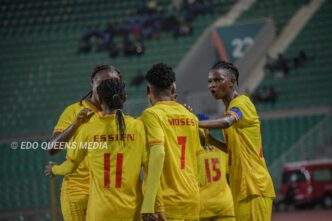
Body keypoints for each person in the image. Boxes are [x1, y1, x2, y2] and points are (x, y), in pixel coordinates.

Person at [45, 78, 150, 220]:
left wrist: (54, 170)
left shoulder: (88, 129)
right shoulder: (138, 127)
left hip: (99, 213)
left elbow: (69, 167)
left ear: (99, 99)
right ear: (124, 98)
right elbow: (151, 167)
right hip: (132, 211)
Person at [199, 61, 275, 221]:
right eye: (210, 81)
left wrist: (192, 122)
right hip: (241, 189)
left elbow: (227, 121)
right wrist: (210, 140)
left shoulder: (242, 103)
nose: (212, 85)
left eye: (218, 80)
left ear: (232, 82)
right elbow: (232, 149)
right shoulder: (230, 109)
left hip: (254, 186)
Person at [47, 65, 122, 221]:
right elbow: (52, 147)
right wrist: (76, 124)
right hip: (79, 192)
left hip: (106, 193)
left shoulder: (118, 116)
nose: (106, 86)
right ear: (92, 83)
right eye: (101, 82)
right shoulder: (74, 110)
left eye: (113, 82)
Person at [140, 63, 201, 221]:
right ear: (173, 89)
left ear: (148, 91)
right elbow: (198, 160)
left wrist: (149, 203)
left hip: (168, 202)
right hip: (192, 198)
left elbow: (157, 154)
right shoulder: (191, 117)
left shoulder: (151, 115)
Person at [197, 130, 235, 221]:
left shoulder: (191, 153)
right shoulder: (221, 150)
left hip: (202, 206)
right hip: (225, 204)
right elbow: (229, 178)